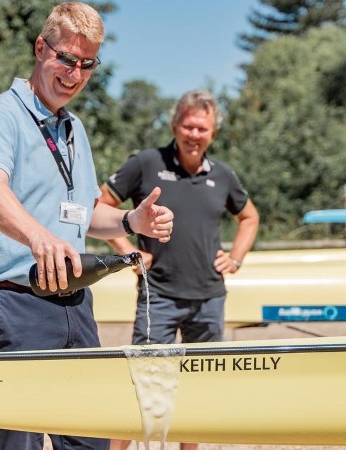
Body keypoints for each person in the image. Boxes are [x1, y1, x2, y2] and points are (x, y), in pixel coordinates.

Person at [0, 3, 173, 450]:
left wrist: (131, 220)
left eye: (86, 64)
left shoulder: (73, 128)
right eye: (66, 59)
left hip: (75, 305)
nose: (74, 74)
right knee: (18, 443)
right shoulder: (0, 116)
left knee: (89, 440)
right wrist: (38, 238)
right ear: (41, 48)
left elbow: (79, 213)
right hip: (12, 303)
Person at [99, 89, 260, 450]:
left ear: (213, 133)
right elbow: (101, 204)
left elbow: (249, 216)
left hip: (209, 299)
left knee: (198, 393)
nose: (194, 135)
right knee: (142, 385)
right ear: (175, 126)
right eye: (188, 126)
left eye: (202, 129)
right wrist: (127, 251)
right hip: (160, 296)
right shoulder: (145, 163)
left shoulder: (223, 175)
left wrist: (235, 258)